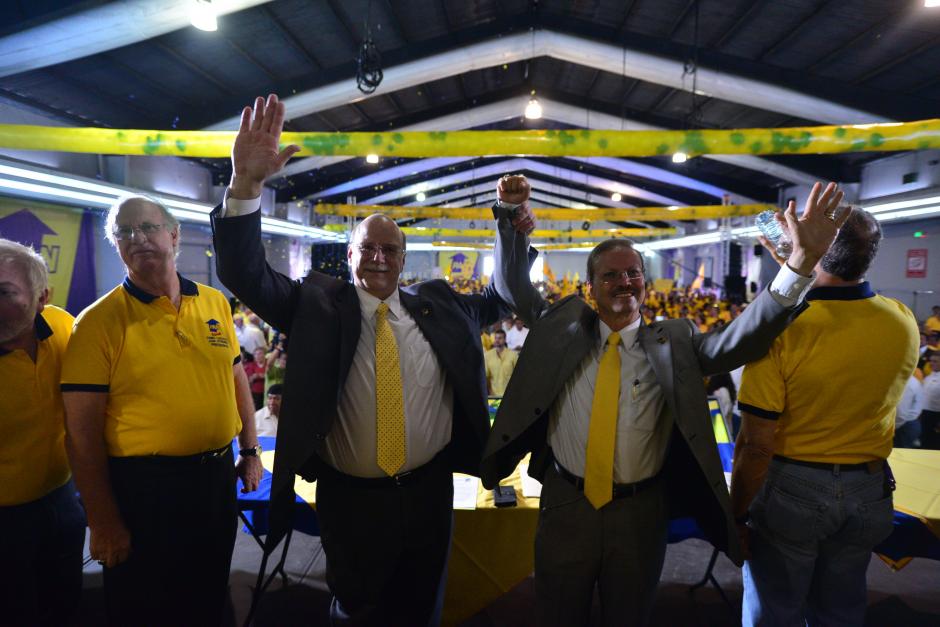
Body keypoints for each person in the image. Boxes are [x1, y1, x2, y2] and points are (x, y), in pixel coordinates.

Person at [481, 176, 849, 627]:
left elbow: (740, 340)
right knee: (557, 612)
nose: (624, 282)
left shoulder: (674, 340)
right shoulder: (562, 328)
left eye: (633, 273)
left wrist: (799, 265)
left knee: (629, 615)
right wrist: (505, 215)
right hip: (565, 505)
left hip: (640, 514)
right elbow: (513, 284)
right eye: (610, 275)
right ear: (590, 286)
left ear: (646, 284)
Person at [210, 94, 512, 626]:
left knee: (422, 609)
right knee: (355, 610)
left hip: (428, 495)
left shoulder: (438, 306)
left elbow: (501, 297)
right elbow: (244, 274)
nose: (378, 257)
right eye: (366, 248)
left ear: (403, 259)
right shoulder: (314, 306)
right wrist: (246, 187)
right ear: (348, 257)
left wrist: (508, 225)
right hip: (351, 502)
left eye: (389, 250)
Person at [60, 195, 262, 626]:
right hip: (144, 490)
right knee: (144, 604)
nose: (138, 238)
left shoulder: (213, 303)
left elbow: (235, 377)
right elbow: (80, 433)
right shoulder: (97, 322)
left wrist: (249, 450)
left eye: (148, 228)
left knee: (209, 590)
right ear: (116, 246)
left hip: (214, 478)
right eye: (125, 232)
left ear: (174, 235)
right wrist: (103, 520)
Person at [731, 209, 920, 627]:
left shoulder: (782, 328)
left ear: (815, 247)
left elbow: (758, 443)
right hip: (869, 489)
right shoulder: (903, 320)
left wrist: (738, 513)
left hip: (793, 489)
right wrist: (801, 262)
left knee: (773, 611)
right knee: (840, 611)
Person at [0, 239, 86, 626]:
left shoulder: (65, 327)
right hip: (6, 519)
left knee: (67, 597)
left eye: (4, 293)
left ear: (42, 297)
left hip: (62, 497)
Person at [484, 328, 518, 396]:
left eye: (500, 338)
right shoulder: (487, 355)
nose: (497, 340)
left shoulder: (513, 355)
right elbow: (486, 378)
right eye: (496, 338)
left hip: (510, 396)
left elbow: (518, 376)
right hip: (493, 397)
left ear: (505, 340)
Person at [895, 375, 923, 448]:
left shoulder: (906, 383)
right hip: (909, 423)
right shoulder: (911, 380)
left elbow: (901, 413)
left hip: (905, 425)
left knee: (900, 455)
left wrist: (894, 427)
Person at [921, 352, 940, 449]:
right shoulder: (928, 377)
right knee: (925, 443)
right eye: (931, 361)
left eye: (935, 361)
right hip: (924, 415)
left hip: (936, 416)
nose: (931, 363)